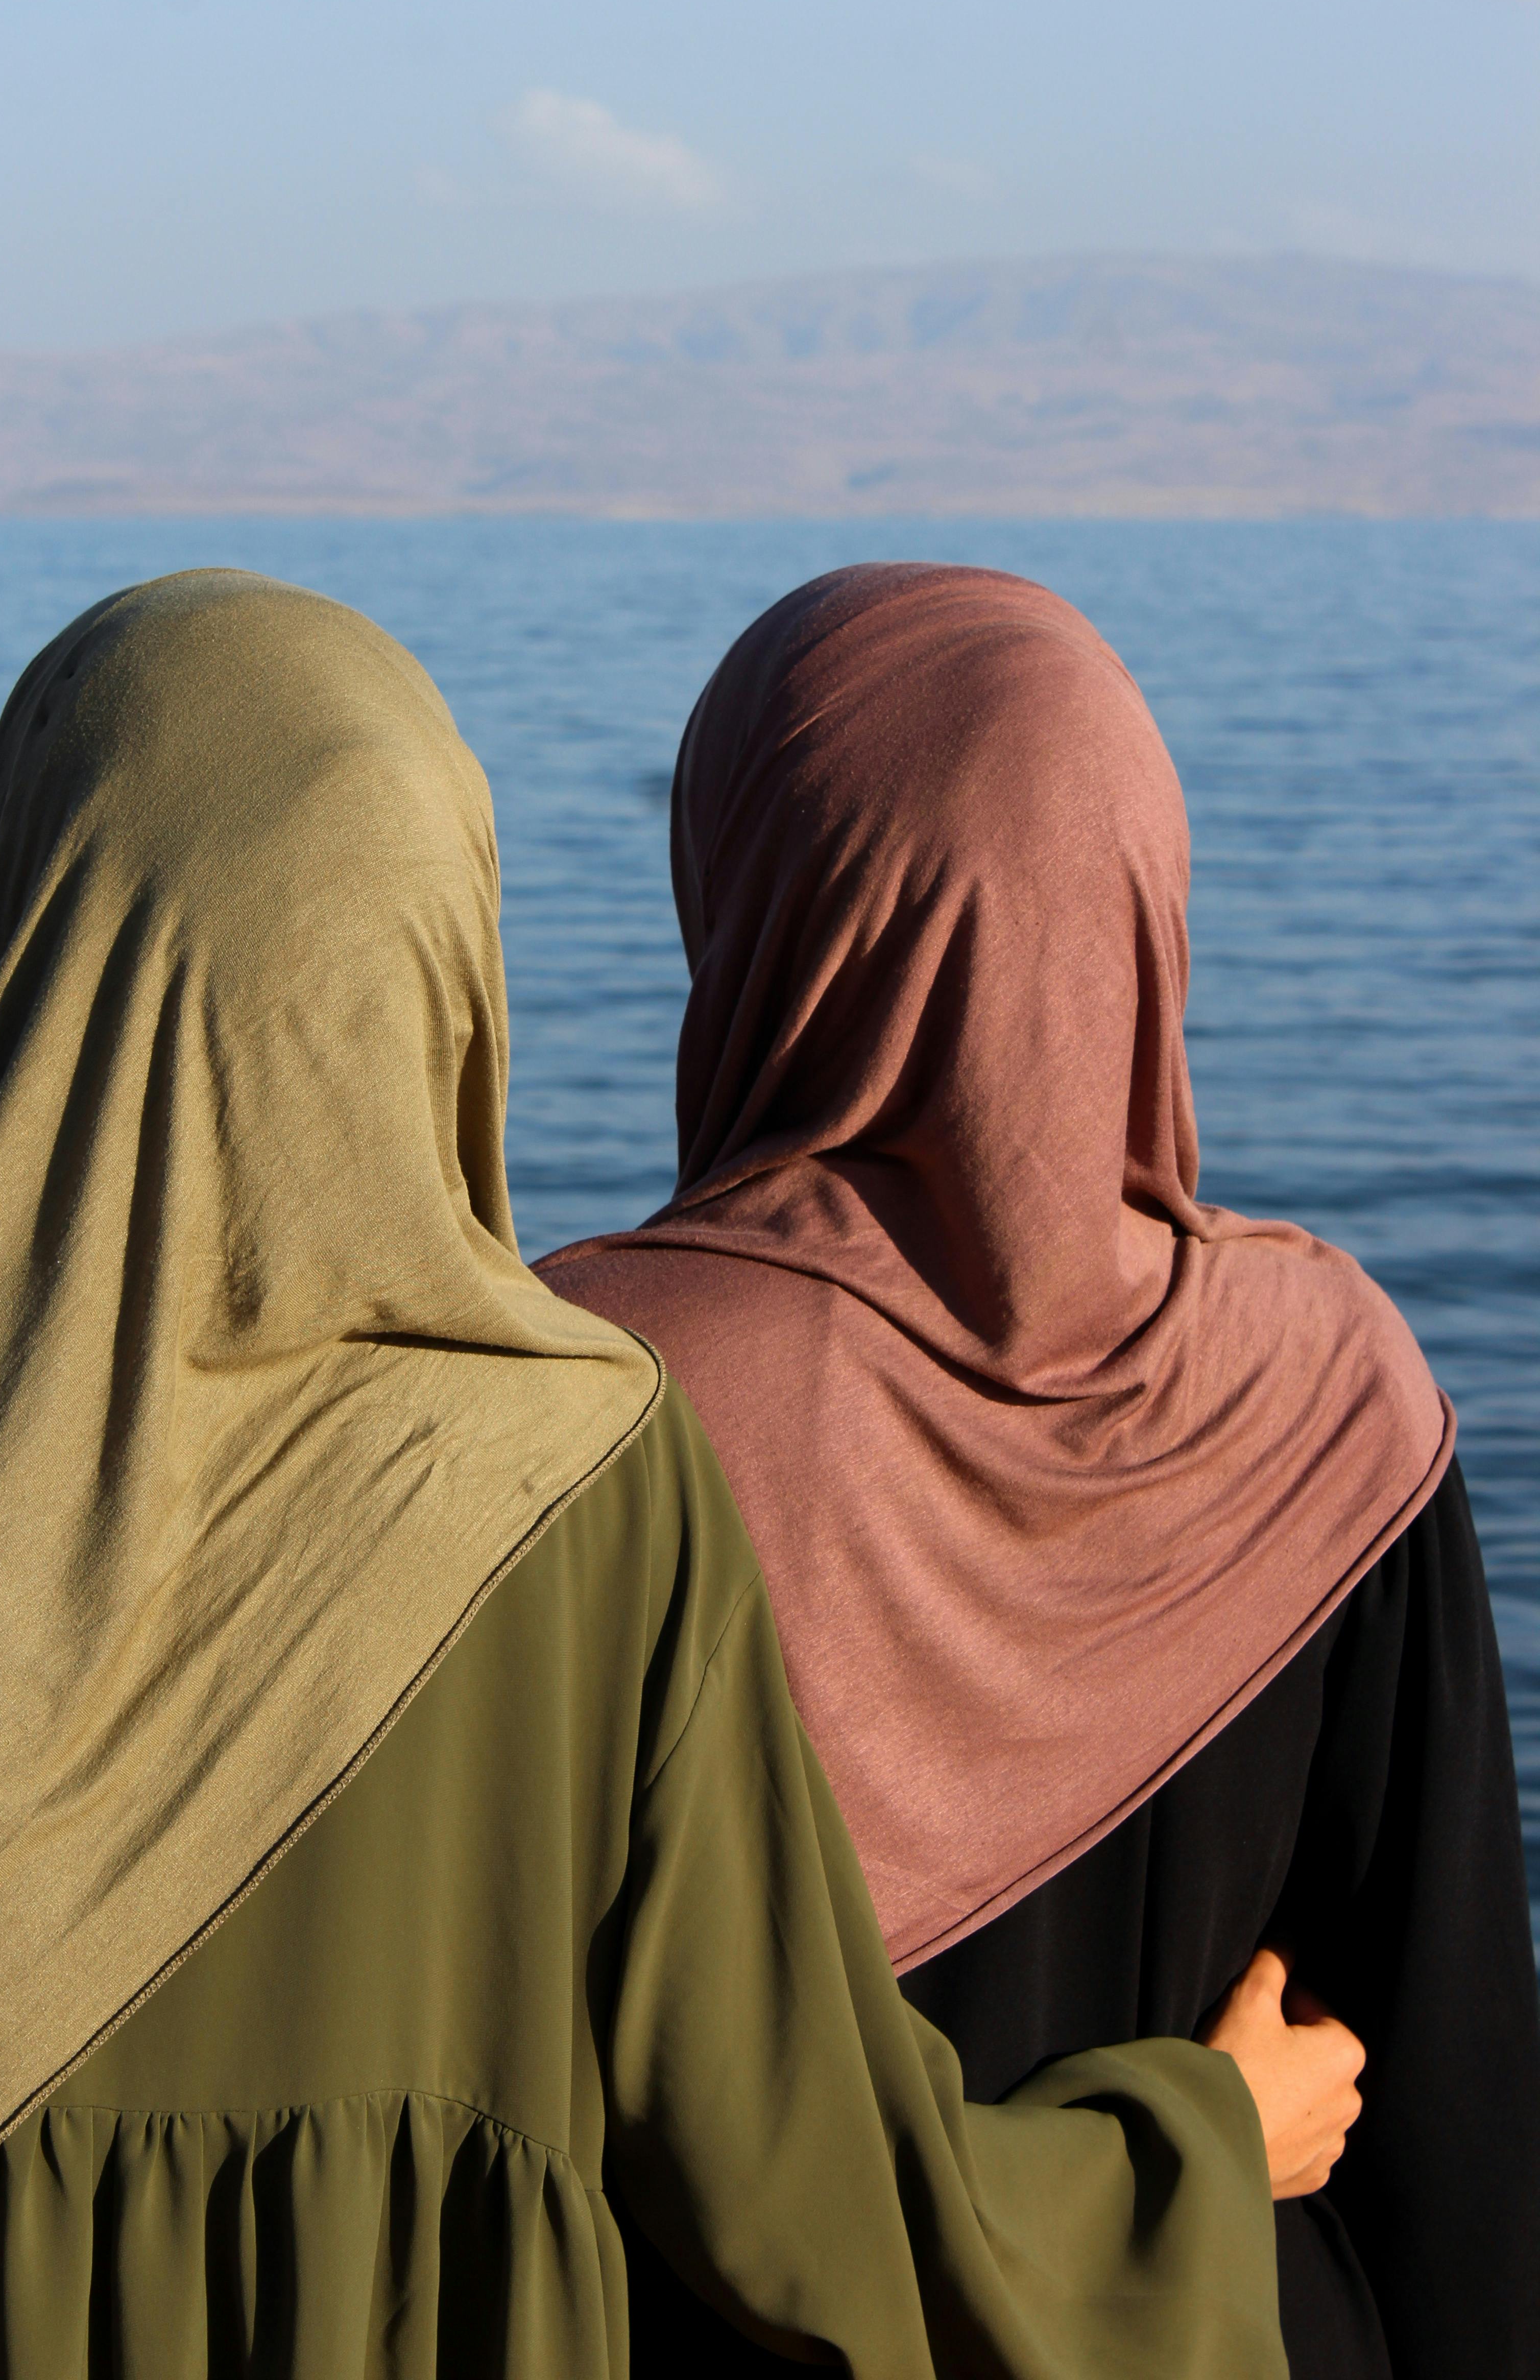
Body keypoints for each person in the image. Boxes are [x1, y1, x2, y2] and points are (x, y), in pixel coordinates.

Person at [0, 568, 1358, 2379]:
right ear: (446, 956)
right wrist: (1196, 2151)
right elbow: (822, 2207)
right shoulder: (582, 1493)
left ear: (38, 909)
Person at [541, 560, 1540, 2380]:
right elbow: (1458, 2107)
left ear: (762, 887)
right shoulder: (1341, 1392)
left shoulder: (589, 1404)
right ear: (1147, 898)